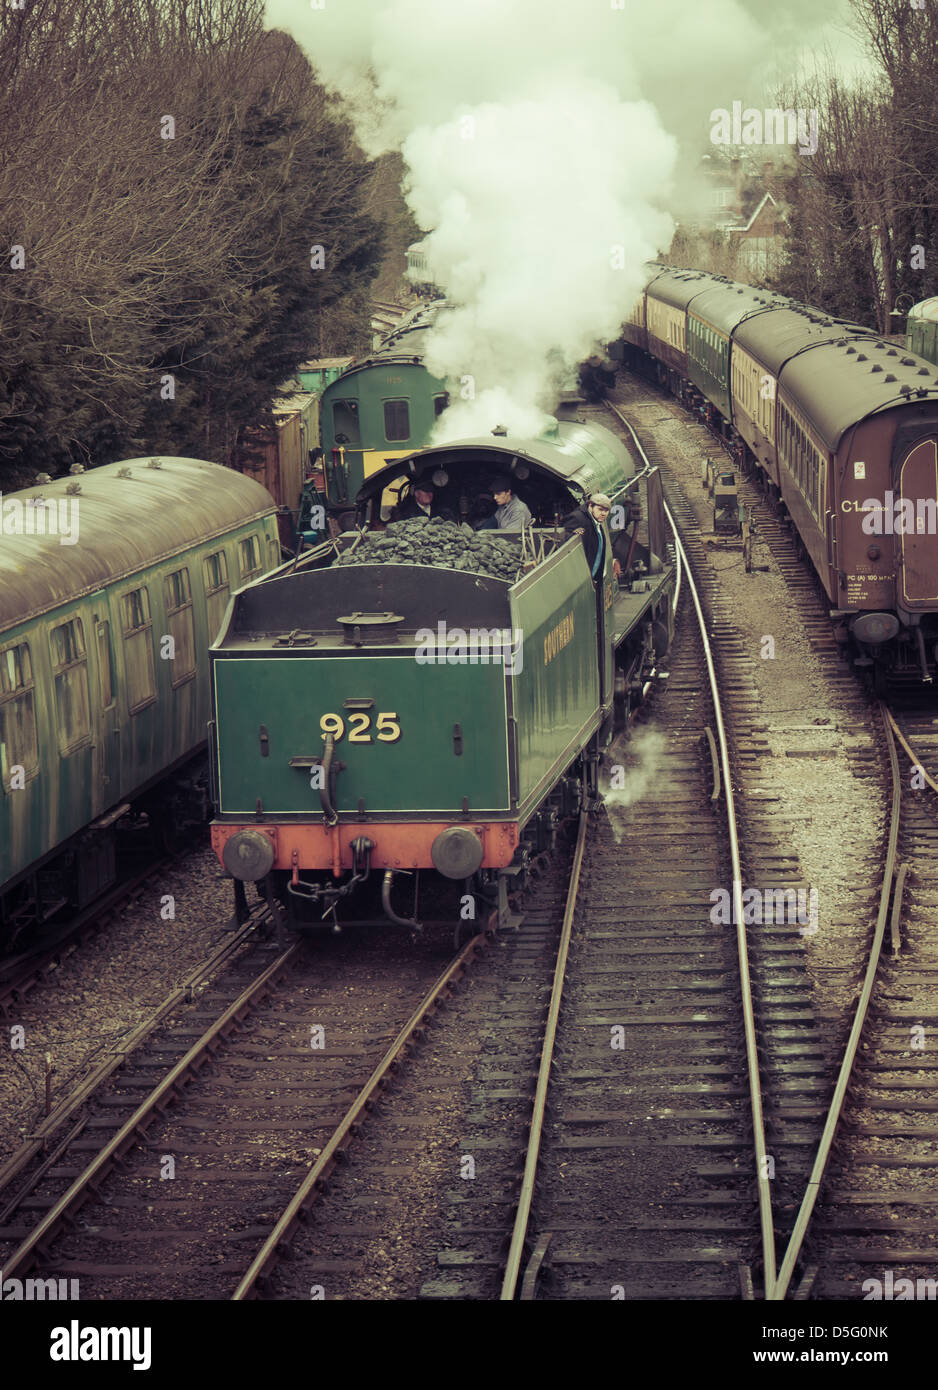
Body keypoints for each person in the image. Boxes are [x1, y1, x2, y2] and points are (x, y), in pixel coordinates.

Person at [563, 492, 621, 582]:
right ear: (590, 506)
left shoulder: (595, 520)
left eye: (606, 511)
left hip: (593, 579)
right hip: (582, 579)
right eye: (600, 509)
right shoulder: (577, 518)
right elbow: (565, 542)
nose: (603, 514)